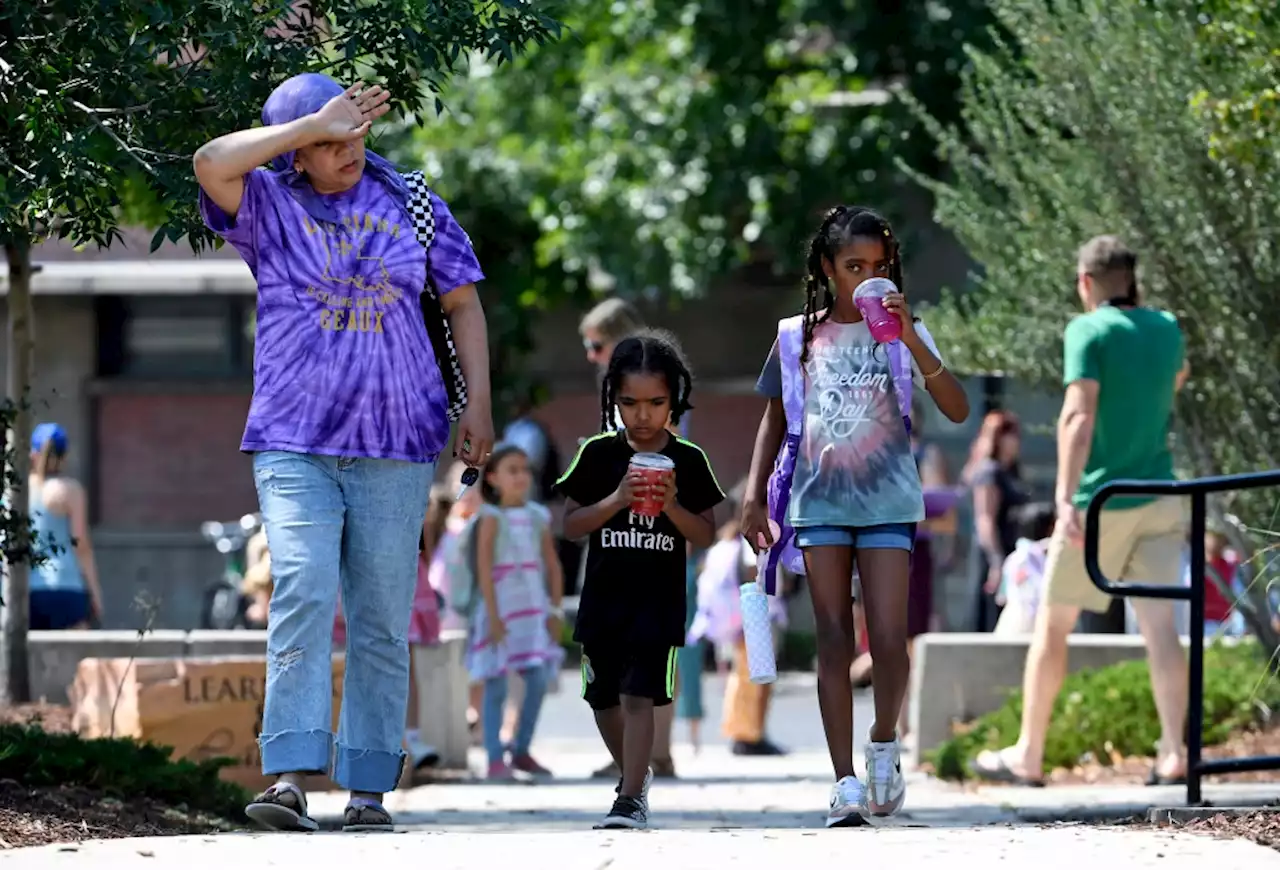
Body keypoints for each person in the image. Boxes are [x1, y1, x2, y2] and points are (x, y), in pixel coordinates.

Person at [193, 73, 494, 832]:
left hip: (399, 443)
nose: (346, 150)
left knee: (381, 616)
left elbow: (461, 302)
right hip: (295, 440)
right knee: (299, 584)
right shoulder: (269, 203)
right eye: (327, 142)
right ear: (297, 153)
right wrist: (304, 128)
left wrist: (480, 405)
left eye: (352, 132)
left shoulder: (410, 200)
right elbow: (209, 162)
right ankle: (290, 777)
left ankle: (367, 787)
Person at [742, 205, 970, 827]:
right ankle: (843, 781)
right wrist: (754, 493)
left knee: (890, 642)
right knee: (833, 637)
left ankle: (883, 743)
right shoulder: (797, 335)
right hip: (818, 502)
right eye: (854, 266)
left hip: (890, 502)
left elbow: (955, 408)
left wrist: (912, 338)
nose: (868, 276)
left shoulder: (907, 331)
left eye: (879, 266)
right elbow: (776, 415)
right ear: (827, 268)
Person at [971, 235, 1189, 788]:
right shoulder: (1166, 327)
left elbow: (1077, 418)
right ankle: (1174, 752)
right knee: (1160, 629)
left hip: (1101, 502)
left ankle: (1030, 753)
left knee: (1053, 627)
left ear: (1085, 283)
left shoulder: (1087, 329)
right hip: (1161, 494)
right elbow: (1177, 382)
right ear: (1130, 278)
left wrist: (1066, 497)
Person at [556, 329, 725, 830]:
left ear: (675, 400)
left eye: (656, 402)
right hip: (604, 601)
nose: (643, 415)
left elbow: (707, 534)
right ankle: (638, 772)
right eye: (629, 403)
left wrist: (670, 503)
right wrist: (615, 500)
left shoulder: (689, 459)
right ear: (613, 399)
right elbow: (570, 525)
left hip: (657, 603)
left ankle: (629, 798)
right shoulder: (597, 454)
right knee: (603, 698)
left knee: (637, 696)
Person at [577, 297, 683, 780]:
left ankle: (656, 753)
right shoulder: (619, 397)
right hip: (616, 539)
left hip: (657, 536)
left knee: (653, 652)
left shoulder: (655, 391)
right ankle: (643, 753)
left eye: (597, 345)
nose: (592, 356)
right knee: (621, 655)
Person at [465, 444, 564, 780]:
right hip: (501, 611)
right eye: (512, 470)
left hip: (532, 612)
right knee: (495, 685)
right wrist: (493, 617)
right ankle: (494, 757)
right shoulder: (490, 518)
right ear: (492, 478)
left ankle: (521, 750)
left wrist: (554, 609)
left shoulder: (539, 516)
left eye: (525, 469)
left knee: (536, 680)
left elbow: (552, 565)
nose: (521, 476)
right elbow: (484, 569)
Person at [27, 423, 103, 630]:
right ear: (65, 456)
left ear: (33, 454)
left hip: (27, 593)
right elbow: (81, 545)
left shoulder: (16, 493)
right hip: (66, 587)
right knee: (76, 660)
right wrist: (95, 594)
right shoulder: (70, 491)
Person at [963, 410, 1028, 632]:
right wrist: (996, 561)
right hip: (995, 556)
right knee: (991, 620)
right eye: (1009, 434)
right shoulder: (989, 472)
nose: (1015, 441)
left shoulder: (1011, 471)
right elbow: (985, 520)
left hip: (1014, 554)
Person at [993, 503, 1056, 636]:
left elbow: (1001, 597)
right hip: (1039, 620)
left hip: (1010, 621)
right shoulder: (1046, 551)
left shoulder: (1012, 558)